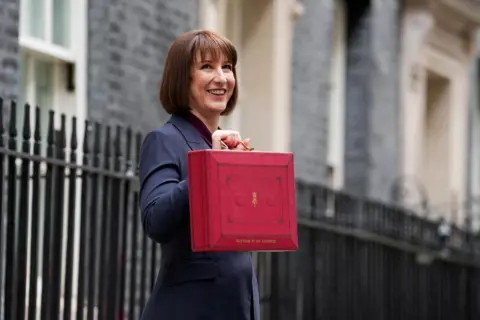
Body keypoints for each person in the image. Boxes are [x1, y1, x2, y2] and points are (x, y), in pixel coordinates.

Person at [138, 29, 260, 320]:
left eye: (227, 67)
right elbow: (155, 219)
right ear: (184, 78)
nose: (221, 78)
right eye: (207, 67)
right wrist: (210, 167)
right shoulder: (164, 139)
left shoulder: (224, 146)